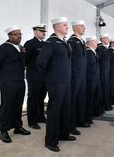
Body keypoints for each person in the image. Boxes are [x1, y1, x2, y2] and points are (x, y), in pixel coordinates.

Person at [37, 17, 75, 152]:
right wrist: (50, 78)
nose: (67, 27)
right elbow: (41, 62)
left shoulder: (63, 42)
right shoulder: (51, 42)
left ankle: (64, 134)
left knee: (65, 108)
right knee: (54, 111)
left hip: (65, 82)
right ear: (57, 27)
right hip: (56, 83)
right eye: (65, 25)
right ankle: (51, 141)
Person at [0, 26, 31, 143]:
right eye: (16, 34)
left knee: (18, 104)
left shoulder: (21, 48)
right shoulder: (2, 48)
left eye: (20, 34)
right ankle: (3, 130)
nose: (19, 36)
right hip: (7, 81)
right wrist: (4, 72)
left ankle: (17, 126)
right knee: (7, 105)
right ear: (9, 36)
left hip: (20, 81)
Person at [67, 20, 89, 135]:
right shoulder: (71, 42)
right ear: (75, 28)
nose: (84, 28)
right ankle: (71, 126)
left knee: (81, 100)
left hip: (82, 76)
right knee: (73, 102)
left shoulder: (81, 41)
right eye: (82, 26)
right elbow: (69, 60)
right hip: (74, 77)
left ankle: (79, 121)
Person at [24, 24, 47, 129]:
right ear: (34, 32)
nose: (43, 32)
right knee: (33, 98)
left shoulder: (45, 44)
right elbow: (26, 60)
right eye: (41, 31)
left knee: (41, 97)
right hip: (34, 75)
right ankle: (32, 121)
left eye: (44, 31)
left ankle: (40, 116)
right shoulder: (30, 44)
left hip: (44, 76)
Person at [85, 36, 102, 124]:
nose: (96, 44)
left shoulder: (93, 52)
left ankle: (93, 113)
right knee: (89, 99)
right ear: (90, 42)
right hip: (90, 79)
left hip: (95, 78)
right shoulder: (88, 53)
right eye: (95, 42)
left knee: (96, 96)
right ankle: (87, 117)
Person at [96, 33, 112, 111]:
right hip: (102, 73)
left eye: (108, 38)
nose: (108, 40)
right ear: (102, 39)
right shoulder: (100, 48)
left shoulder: (105, 48)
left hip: (106, 72)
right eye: (106, 38)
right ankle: (102, 106)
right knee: (103, 89)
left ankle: (106, 105)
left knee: (106, 89)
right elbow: (97, 61)